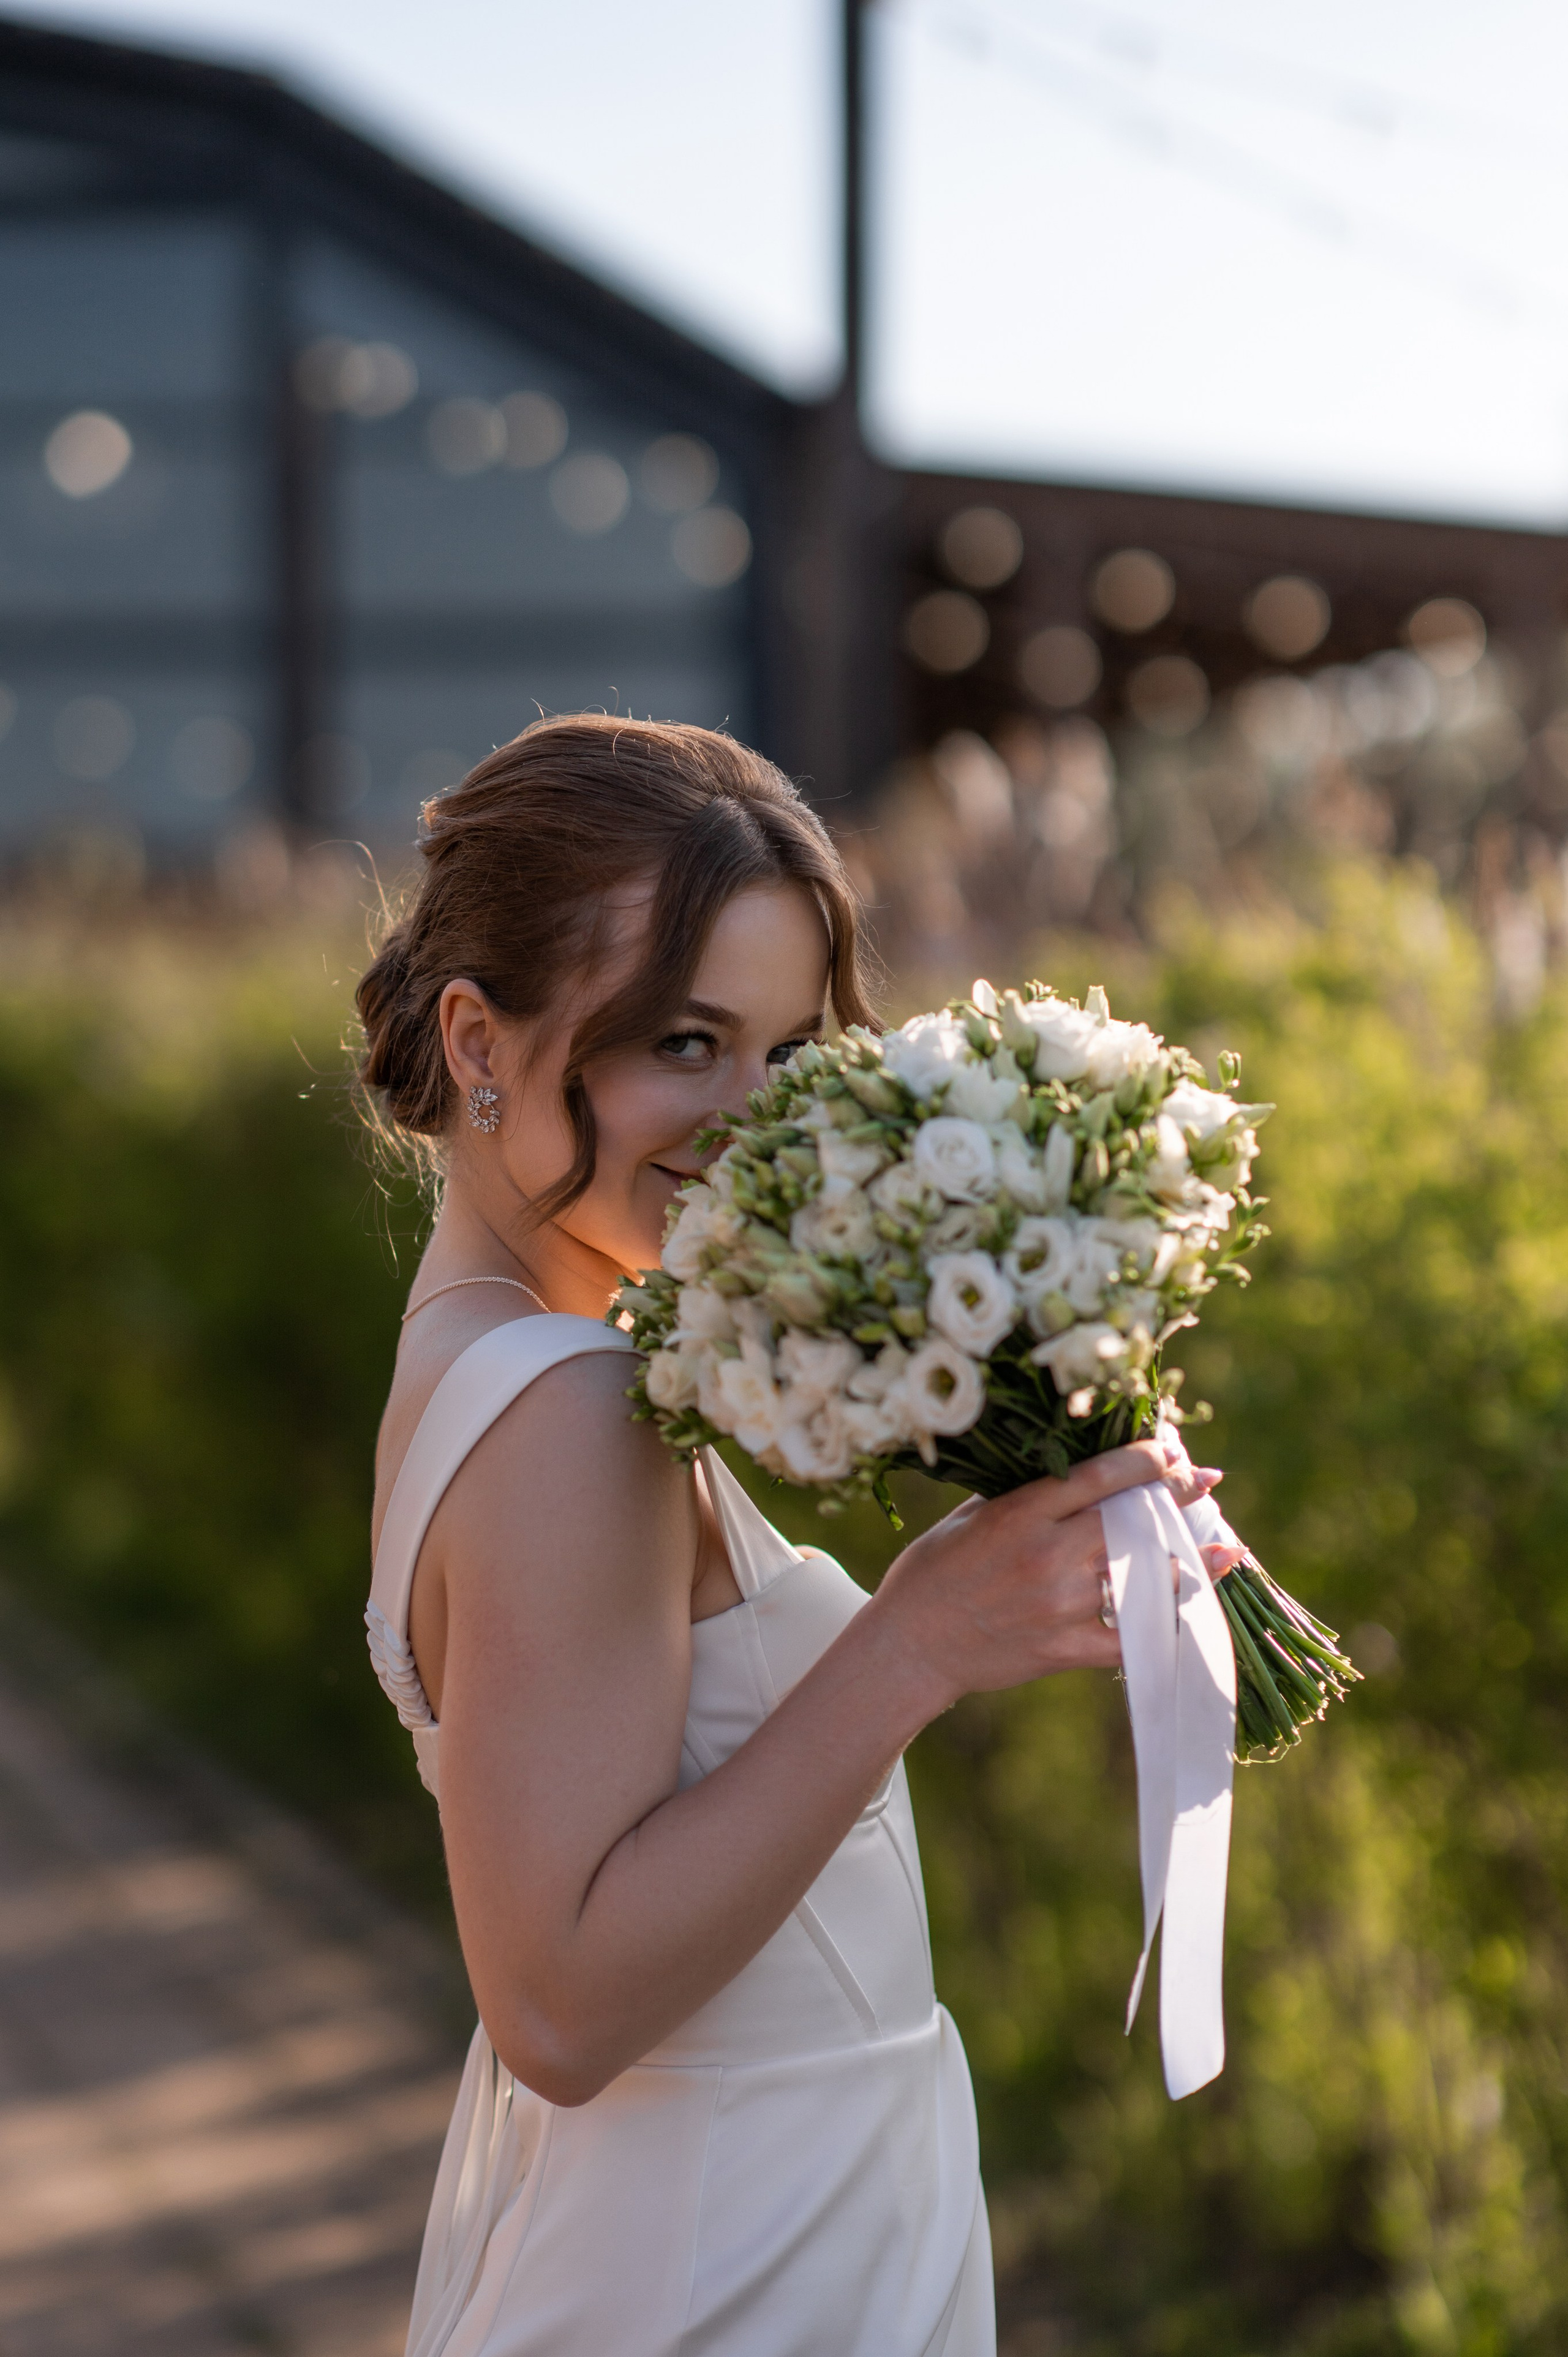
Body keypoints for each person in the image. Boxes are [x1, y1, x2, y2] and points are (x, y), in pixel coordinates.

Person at [356, 715, 1226, 2357]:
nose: (759, 1117)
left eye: (788, 1050)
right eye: (684, 1041)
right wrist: (911, 1646)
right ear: (480, 1036)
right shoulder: (562, 1405)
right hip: (726, 2255)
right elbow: (555, 1998)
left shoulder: (515, 1344)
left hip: (734, 2207)